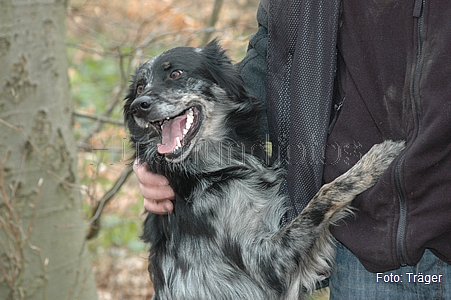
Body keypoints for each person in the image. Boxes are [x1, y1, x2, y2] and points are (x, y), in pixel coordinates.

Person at [133, 0, 451, 298]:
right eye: (140, 91)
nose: (144, 99)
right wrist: (153, 165)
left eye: (175, 76)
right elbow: (275, 46)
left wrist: (345, 187)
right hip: (369, 243)